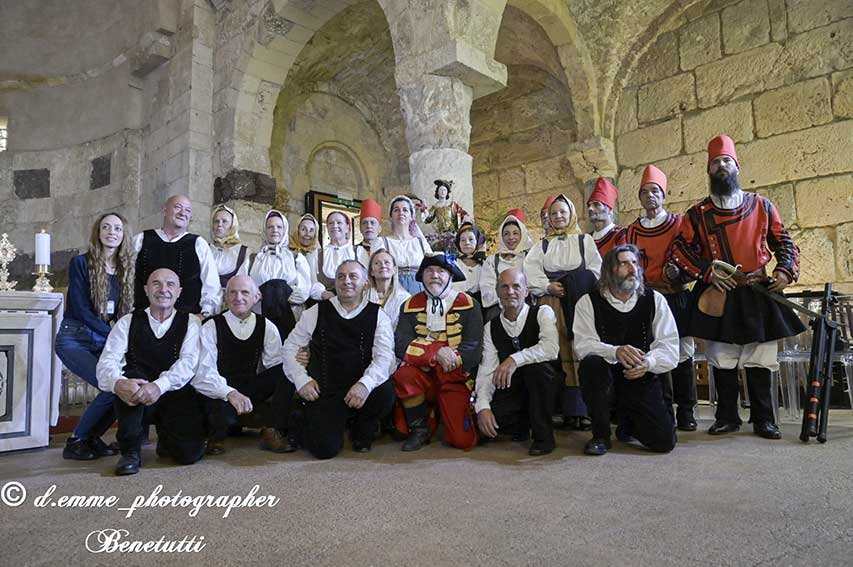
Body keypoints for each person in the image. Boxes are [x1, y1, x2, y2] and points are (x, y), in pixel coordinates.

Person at [670, 135, 805, 439]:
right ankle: (727, 417)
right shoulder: (697, 214)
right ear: (709, 169)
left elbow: (783, 241)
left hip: (757, 289)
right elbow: (679, 250)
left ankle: (764, 419)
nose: (721, 166)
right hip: (720, 292)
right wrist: (706, 273)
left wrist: (784, 271)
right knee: (722, 356)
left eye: (726, 161)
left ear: (736, 166)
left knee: (759, 355)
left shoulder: (762, 205)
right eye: (715, 162)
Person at [96, 268, 205, 475]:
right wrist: (117, 383)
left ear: (179, 291)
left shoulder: (191, 322)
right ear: (146, 290)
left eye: (170, 284)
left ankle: (167, 438)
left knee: (189, 454)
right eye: (156, 283)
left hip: (173, 393)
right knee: (129, 380)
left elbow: (188, 363)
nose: (163, 289)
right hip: (137, 394)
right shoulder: (127, 322)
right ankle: (130, 452)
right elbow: (106, 362)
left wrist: (158, 386)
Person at [282, 260, 395, 459]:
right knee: (324, 450)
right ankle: (306, 419)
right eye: (341, 276)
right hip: (326, 389)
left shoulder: (378, 315)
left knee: (385, 392)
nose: (346, 281)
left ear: (365, 283)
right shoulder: (315, 312)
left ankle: (362, 429)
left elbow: (384, 357)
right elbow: (290, 347)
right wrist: (302, 380)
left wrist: (365, 384)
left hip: (360, 387)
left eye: (353, 276)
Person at [574, 245, 679, 456]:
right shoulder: (588, 302)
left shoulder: (654, 300)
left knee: (664, 442)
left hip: (640, 374)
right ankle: (600, 435)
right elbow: (582, 345)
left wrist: (648, 363)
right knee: (591, 365)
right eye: (624, 263)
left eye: (634, 263)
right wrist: (615, 351)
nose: (632, 269)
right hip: (605, 376)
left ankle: (628, 423)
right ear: (609, 270)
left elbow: (670, 347)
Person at [623, 165, 698, 431]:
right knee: (653, 353)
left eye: (655, 191)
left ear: (663, 195)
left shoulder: (679, 224)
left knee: (683, 354)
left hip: (676, 297)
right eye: (644, 192)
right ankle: (663, 407)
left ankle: (687, 410)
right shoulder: (632, 231)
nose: (650, 196)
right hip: (647, 299)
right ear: (640, 198)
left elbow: (693, 256)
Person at [57, 212, 135, 460]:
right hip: (74, 338)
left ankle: (91, 439)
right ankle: (76, 440)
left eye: (117, 229)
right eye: (106, 227)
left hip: (103, 337)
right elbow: (80, 309)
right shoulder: (81, 263)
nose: (112, 232)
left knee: (121, 384)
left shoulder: (126, 269)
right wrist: (115, 334)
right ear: (98, 233)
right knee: (111, 385)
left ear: (124, 235)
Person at [524, 193, 602, 430]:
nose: (558, 217)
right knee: (558, 351)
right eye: (554, 213)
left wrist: (574, 284)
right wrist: (547, 286)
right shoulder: (541, 246)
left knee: (581, 349)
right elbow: (529, 272)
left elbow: (596, 270)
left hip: (580, 302)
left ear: (571, 215)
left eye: (562, 212)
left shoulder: (584, 241)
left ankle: (586, 408)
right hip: (552, 301)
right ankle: (566, 410)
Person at [192, 276, 295, 455]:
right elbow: (203, 372)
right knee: (217, 412)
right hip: (220, 389)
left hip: (250, 387)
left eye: (245, 292)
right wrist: (229, 393)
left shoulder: (266, 326)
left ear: (257, 297)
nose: (238, 297)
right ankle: (217, 434)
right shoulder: (211, 326)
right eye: (233, 292)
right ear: (226, 297)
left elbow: (274, 365)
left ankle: (273, 429)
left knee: (285, 371)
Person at [393, 253, 484, 451]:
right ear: (422, 276)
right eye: (429, 271)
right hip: (421, 375)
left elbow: (473, 347)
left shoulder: (470, 305)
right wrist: (435, 354)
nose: (435, 275)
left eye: (441, 271)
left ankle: (437, 412)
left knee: (463, 441)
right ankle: (420, 428)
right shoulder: (408, 306)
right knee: (404, 375)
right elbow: (401, 343)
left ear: (451, 276)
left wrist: (451, 360)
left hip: (454, 376)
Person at [475, 268, 559, 456]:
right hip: (514, 389)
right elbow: (487, 370)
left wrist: (514, 359)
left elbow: (551, 349)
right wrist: (483, 407)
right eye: (504, 287)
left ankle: (544, 437)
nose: (510, 291)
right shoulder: (492, 327)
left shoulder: (542, 313)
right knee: (484, 425)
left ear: (526, 291)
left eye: (516, 286)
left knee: (537, 370)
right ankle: (522, 424)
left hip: (546, 385)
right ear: (497, 292)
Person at [133, 194, 221, 316]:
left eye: (188, 210)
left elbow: (211, 283)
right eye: (178, 207)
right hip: (144, 318)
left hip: (187, 321)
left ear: (190, 217)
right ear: (165, 210)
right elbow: (126, 277)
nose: (182, 213)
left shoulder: (199, 244)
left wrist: (204, 314)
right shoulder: (141, 239)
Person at [249, 209, 311, 340]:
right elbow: (246, 287)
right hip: (259, 313)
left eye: (279, 227)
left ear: (285, 230)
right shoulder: (253, 258)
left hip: (290, 315)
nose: (274, 230)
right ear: (264, 230)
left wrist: (277, 295)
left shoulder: (296, 258)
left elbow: (303, 291)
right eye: (270, 227)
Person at [479, 209, 534, 317]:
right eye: (506, 234)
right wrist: (507, 301)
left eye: (515, 233)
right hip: (498, 311)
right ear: (501, 236)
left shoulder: (529, 258)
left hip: (526, 309)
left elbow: (533, 285)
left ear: (522, 235)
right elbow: (487, 290)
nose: (511, 237)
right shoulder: (492, 261)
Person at [383, 195, 433, 295]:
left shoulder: (420, 242)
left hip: (420, 290)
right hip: (393, 291)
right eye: (396, 210)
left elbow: (432, 266)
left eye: (405, 210)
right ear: (391, 216)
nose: (401, 213)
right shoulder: (383, 242)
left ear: (411, 216)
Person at [309, 211, 356, 301]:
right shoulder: (316, 254)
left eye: (339, 222)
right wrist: (323, 294)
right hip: (326, 305)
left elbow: (366, 281)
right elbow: (312, 281)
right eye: (331, 223)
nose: (334, 226)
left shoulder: (358, 252)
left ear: (347, 227)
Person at [366, 248, 410, 331]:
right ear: (371, 271)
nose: (382, 265)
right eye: (377, 263)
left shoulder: (405, 299)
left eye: (387, 262)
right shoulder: (363, 297)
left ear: (394, 269)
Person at [209, 204, 249, 292]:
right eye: (216, 221)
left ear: (232, 225)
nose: (219, 224)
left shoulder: (243, 252)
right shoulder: (206, 249)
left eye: (224, 221)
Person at [451, 221, 486, 306]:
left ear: (477, 241)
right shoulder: (453, 263)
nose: (466, 243)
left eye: (471, 239)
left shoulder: (485, 264)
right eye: (463, 240)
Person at [587, 177, 624, 257]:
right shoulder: (586, 239)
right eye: (589, 205)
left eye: (596, 205)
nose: (590, 208)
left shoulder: (620, 235)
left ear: (610, 210)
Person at [354, 198, 385, 268]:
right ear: (360, 228)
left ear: (379, 228)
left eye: (372, 223)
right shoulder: (353, 251)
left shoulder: (387, 249)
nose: (369, 226)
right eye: (365, 223)